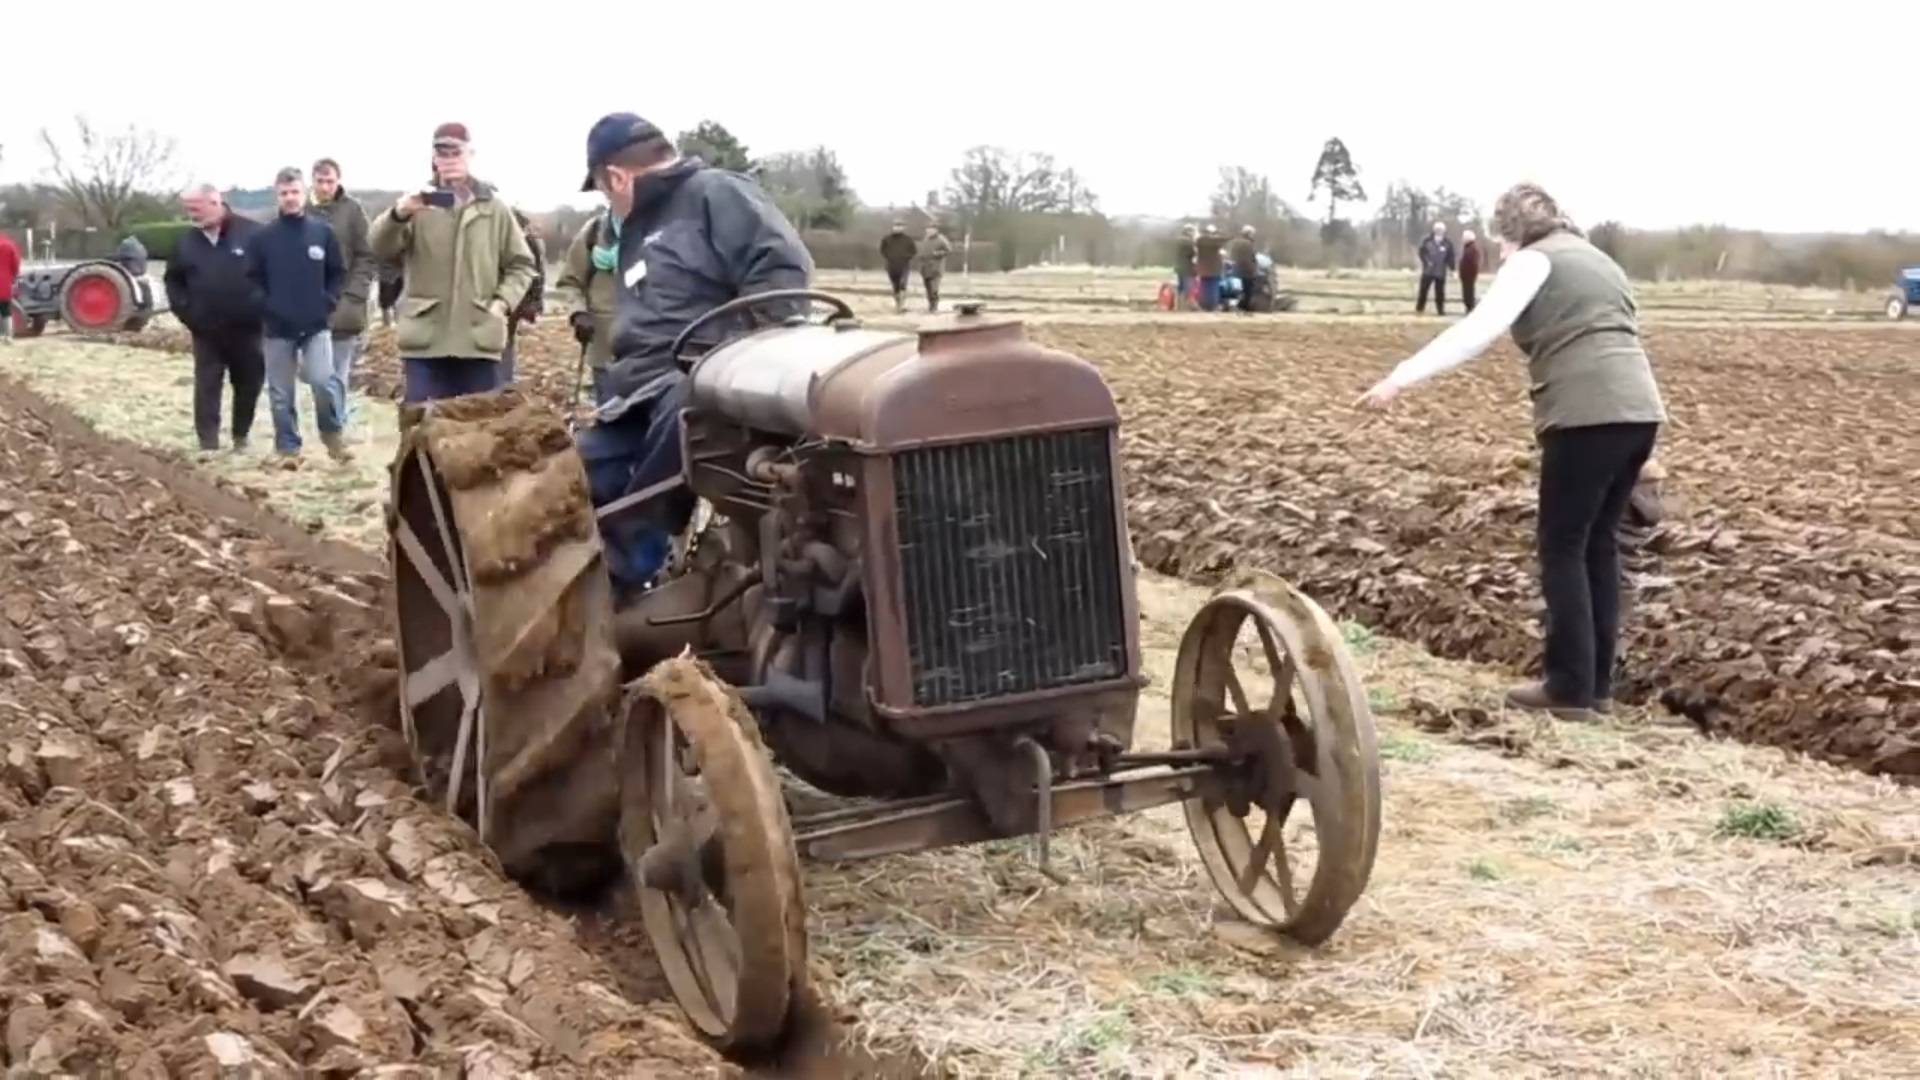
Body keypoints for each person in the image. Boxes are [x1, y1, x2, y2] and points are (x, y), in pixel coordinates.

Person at [1356, 182, 1667, 720]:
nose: (1500, 251)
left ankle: (1567, 687)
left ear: (1513, 231)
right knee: (1598, 545)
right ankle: (1595, 688)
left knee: (1562, 545)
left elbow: (1477, 330)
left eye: (1500, 239)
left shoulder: (1533, 261)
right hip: (1640, 412)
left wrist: (1399, 379)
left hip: (1584, 414)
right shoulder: (1598, 261)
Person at [574, 111, 812, 592]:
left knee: (685, 414)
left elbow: (783, 271)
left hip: (701, 378)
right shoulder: (639, 227)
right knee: (579, 467)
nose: (607, 203)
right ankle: (566, 570)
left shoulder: (716, 193)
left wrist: (741, 354)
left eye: (602, 190)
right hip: (640, 389)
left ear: (616, 177)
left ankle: (624, 571)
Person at [368, 122, 537, 404]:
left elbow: (522, 264)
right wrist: (398, 215)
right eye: (442, 153)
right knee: (421, 422)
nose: (449, 160)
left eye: (456, 152)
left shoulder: (494, 209)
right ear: (433, 158)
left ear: (470, 154)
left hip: (478, 338)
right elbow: (379, 248)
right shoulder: (416, 205)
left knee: (478, 423)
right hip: (425, 341)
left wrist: (502, 303)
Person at [248, 167, 348, 462]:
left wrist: (328, 301)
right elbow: (251, 279)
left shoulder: (322, 233)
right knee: (281, 393)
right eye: (284, 193)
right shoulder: (263, 238)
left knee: (323, 381)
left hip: (315, 325)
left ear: (305, 194)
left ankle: (332, 434)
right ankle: (288, 448)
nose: (290, 198)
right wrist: (266, 306)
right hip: (277, 328)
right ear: (277, 196)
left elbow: (337, 273)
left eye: (295, 192)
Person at [164, 184, 266, 452]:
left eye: (196, 208)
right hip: (206, 330)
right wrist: (188, 313)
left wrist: (262, 307)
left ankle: (240, 435)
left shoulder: (253, 234)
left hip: (248, 329)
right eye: (188, 209)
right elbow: (174, 281)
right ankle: (208, 443)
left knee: (249, 383)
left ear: (214, 202)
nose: (191, 214)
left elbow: (273, 275)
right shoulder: (186, 242)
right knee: (207, 385)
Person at [307, 158, 376, 426]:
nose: (325, 187)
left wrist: (355, 293)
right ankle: (324, 419)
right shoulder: (301, 210)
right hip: (307, 303)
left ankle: (335, 425)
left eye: (330, 181)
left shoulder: (353, 211)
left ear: (338, 181)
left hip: (343, 303)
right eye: (320, 181)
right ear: (312, 181)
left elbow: (367, 254)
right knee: (314, 374)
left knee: (337, 371)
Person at [555, 209, 621, 405]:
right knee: (612, 413)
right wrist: (578, 312)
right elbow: (570, 281)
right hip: (605, 347)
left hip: (656, 352)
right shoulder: (594, 231)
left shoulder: (663, 230)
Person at [1416, 221, 1455, 315]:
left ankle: (1440, 310)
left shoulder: (1448, 243)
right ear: (1434, 230)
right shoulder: (1427, 240)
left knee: (1440, 292)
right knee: (1423, 290)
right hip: (1428, 271)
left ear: (1444, 231)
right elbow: (1421, 253)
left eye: (1441, 230)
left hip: (1440, 271)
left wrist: (1452, 269)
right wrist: (1426, 262)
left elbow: (1450, 257)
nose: (1439, 231)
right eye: (1437, 229)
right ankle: (1420, 308)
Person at [879, 221, 917, 313]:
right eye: (896, 226)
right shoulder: (887, 239)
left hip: (904, 266)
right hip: (891, 266)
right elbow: (882, 250)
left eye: (900, 226)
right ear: (893, 227)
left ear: (903, 228)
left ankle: (901, 305)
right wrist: (889, 256)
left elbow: (914, 251)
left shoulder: (908, 239)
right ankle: (898, 303)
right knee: (895, 286)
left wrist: (906, 257)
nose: (898, 228)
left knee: (903, 284)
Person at [917, 223, 952, 312]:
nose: (929, 230)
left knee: (934, 288)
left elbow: (948, 250)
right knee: (928, 287)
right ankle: (931, 305)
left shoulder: (941, 239)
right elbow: (922, 252)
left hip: (936, 268)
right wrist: (920, 262)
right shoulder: (925, 239)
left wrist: (938, 253)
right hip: (925, 268)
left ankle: (935, 306)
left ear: (936, 230)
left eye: (931, 229)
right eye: (928, 228)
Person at [1195, 224, 1226, 312]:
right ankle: (1213, 306)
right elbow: (1222, 241)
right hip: (1214, 270)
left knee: (1204, 288)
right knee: (1213, 289)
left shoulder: (1200, 241)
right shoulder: (1214, 242)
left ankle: (1203, 305)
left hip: (1203, 269)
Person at [1228, 225, 1258, 314]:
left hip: (1235, 269)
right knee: (1248, 291)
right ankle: (1245, 308)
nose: (1253, 235)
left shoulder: (1235, 242)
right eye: (1252, 234)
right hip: (1247, 270)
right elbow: (1252, 257)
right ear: (1249, 234)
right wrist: (1254, 268)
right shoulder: (1249, 244)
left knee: (1237, 290)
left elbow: (1231, 255)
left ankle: (1236, 306)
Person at [0, 230, 20, 344]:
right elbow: (15, 264)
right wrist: (14, 276)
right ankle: (8, 336)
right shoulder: (9, 245)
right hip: (4, 283)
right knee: (6, 310)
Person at [1173, 224, 1198, 310]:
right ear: (1189, 231)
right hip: (1187, 267)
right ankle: (1187, 306)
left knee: (1180, 288)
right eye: (1192, 231)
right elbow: (1193, 253)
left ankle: (1179, 306)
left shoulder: (1178, 240)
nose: (1193, 233)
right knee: (1188, 287)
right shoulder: (1189, 242)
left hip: (1178, 267)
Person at [1458, 228, 1483, 313]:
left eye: (1463, 238)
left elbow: (1473, 263)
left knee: (1468, 292)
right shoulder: (1468, 248)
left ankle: (1470, 308)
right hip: (1467, 275)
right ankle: (1469, 307)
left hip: (1469, 275)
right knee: (1467, 292)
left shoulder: (1472, 249)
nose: (1462, 239)